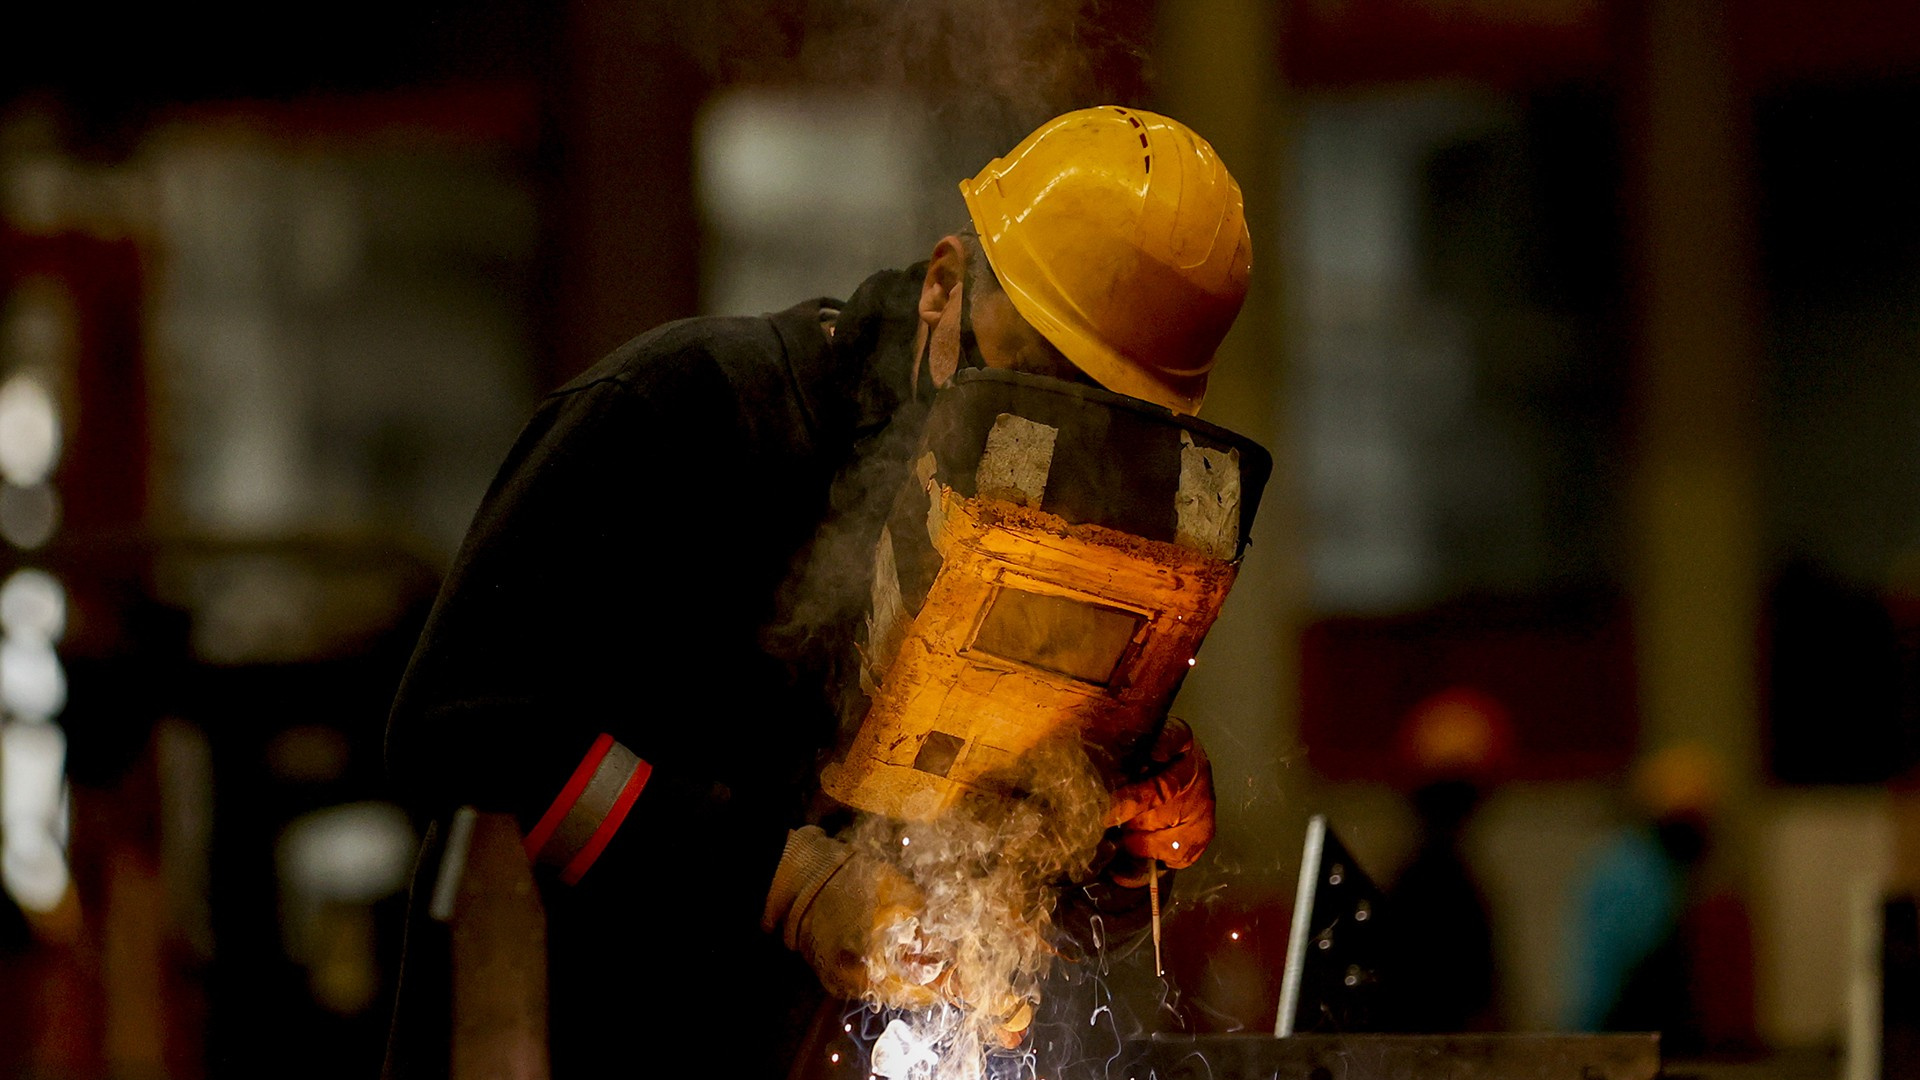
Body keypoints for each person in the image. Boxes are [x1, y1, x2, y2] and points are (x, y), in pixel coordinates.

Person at [381, 106, 1249, 1079]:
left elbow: (1012, 898)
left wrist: (1121, 842)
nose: (1053, 468)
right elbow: (456, 732)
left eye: (1107, 432)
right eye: (1034, 395)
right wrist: (782, 879)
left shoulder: (1041, 542)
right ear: (943, 290)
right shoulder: (683, 414)